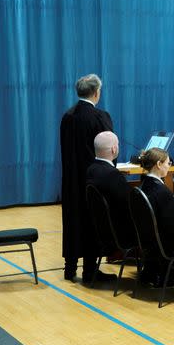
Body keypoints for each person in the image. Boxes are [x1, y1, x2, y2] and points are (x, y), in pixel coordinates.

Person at [60, 74, 114, 282]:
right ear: (96, 92)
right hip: (93, 179)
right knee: (92, 222)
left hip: (71, 179)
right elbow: (108, 149)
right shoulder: (99, 117)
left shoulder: (68, 116)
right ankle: (90, 270)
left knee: (72, 220)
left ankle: (70, 268)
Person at [86, 132, 135, 248]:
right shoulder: (112, 174)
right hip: (121, 233)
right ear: (114, 149)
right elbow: (131, 203)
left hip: (102, 230)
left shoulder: (91, 169)